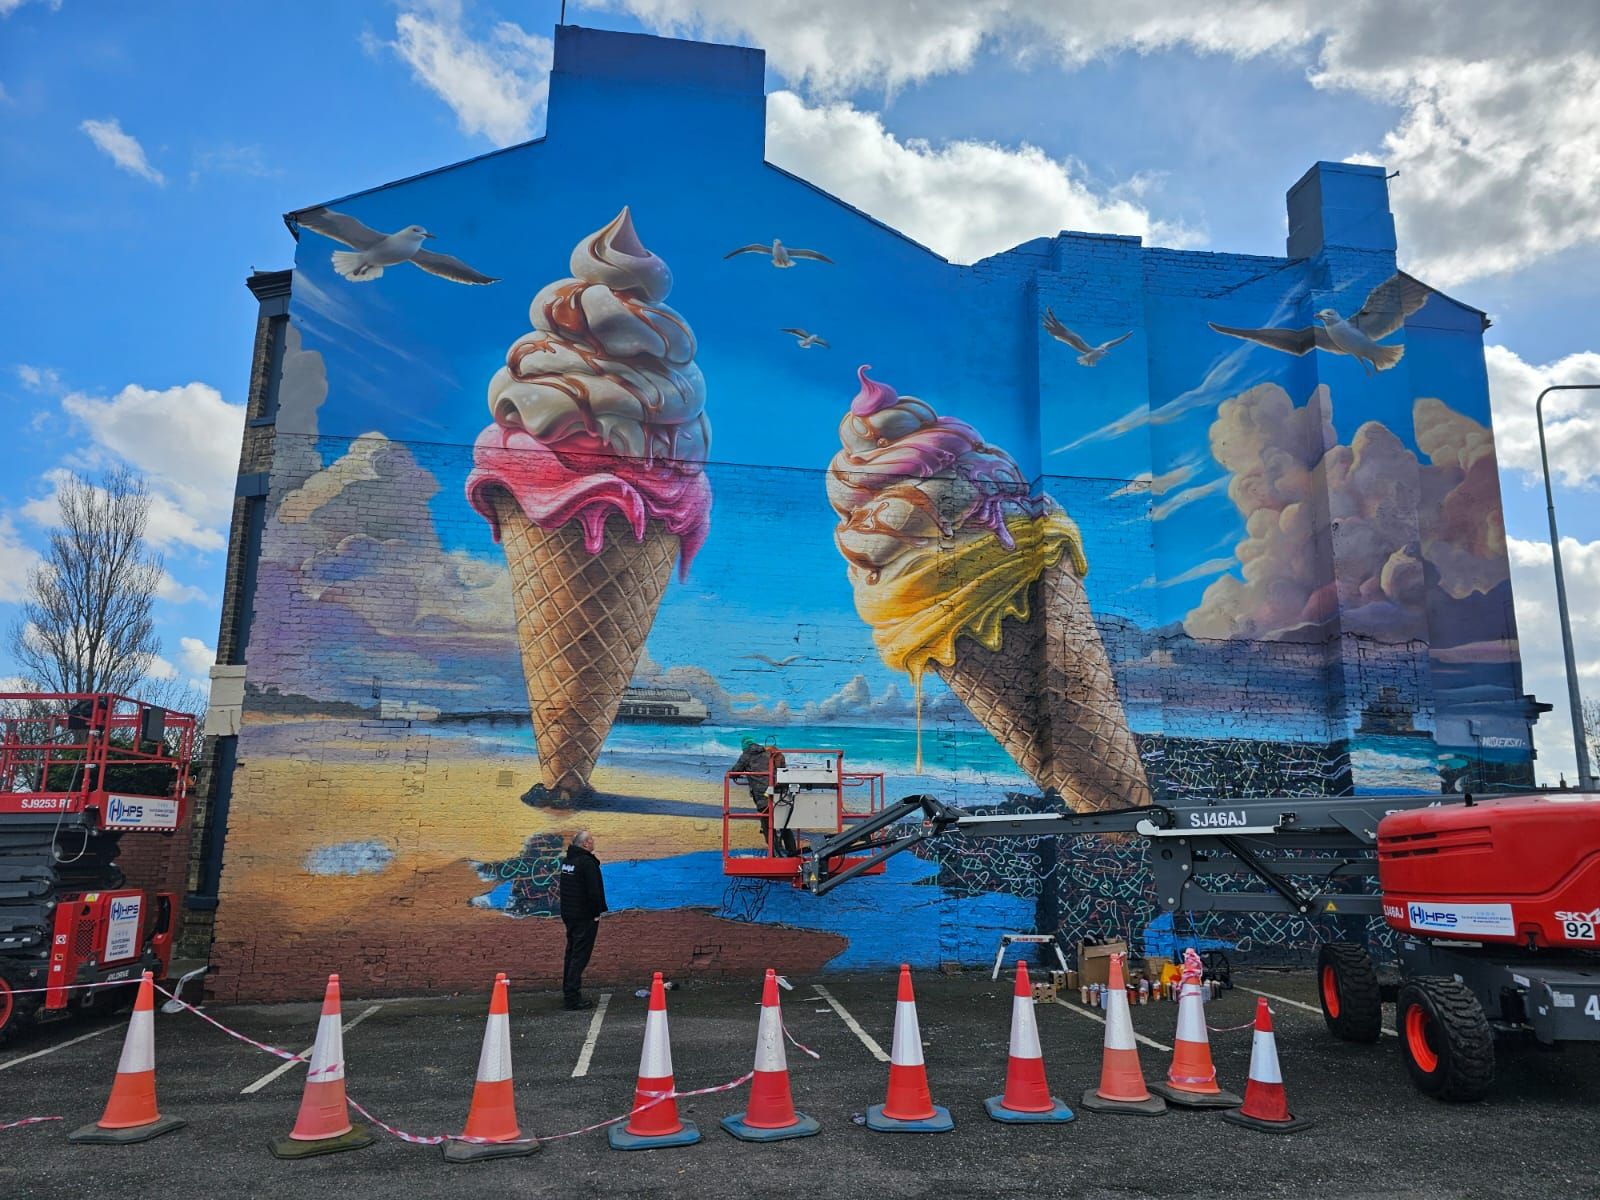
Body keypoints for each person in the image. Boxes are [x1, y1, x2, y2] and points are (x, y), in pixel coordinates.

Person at [558, 830, 607, 1010]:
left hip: (569, 915)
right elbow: (594, 892)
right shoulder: (587, 863)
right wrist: (596, 913)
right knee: (579, 956)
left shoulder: (568, 862)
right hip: (584, 916)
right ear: (585, 844)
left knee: (571, 954)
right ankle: (572, 997)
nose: (593, 842)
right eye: (591, 840)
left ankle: (568, 992)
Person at [730, 736, 797, 855]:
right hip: (778, 794)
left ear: (744, 746)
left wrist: (732, 774)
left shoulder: (746, 755)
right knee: (783, 824)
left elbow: (734, 771)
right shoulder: (767, 754)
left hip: (763, 797)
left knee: (767, 827)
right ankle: (792, 852)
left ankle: (776, 854)